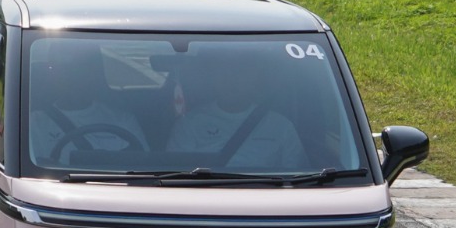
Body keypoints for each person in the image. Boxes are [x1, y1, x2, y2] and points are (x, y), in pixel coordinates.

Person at [166, 46, 307, 170]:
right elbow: (178, 171)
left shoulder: (281, 127)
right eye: (225, 72)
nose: (231, 80)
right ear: (213, 78)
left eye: (240, 72)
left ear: (255, 79)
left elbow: (298, 176)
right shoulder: (190, 124)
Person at [28, 41, 149, 166]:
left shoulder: (122, 120)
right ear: (52, 74)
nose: (71, 77)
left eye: (78, 69)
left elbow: (143, 164)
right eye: (64, 70)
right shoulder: (33, 124)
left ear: (92, 73)